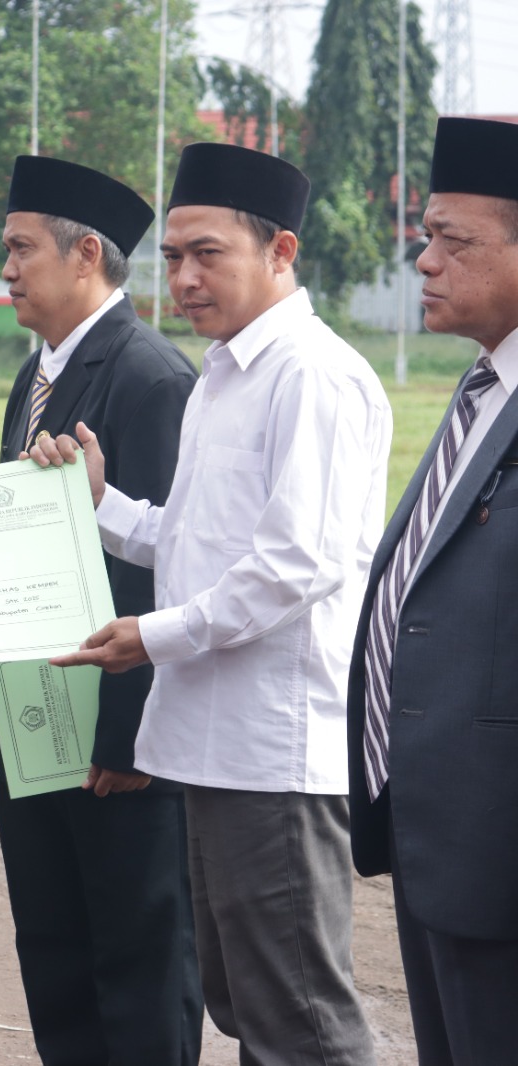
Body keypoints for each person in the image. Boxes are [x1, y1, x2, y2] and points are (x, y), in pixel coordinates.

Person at [30, 142, 391, 1065]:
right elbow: (193, 540)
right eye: (174, 256)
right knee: (243, 1001)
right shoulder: (226, 373)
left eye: (208, 254)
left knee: (301, 1018)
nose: (184, 278)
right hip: (213, 745)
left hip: (276, 752)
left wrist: (152, 636)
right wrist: (102, 504)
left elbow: (295, 565)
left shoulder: (312, 375)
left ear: (281, 252)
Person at [0, 155, 202, 1065]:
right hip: (39, 723)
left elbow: (171, 572)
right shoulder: (36, 375)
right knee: (57, 959)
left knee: (138, 966)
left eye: (20, 249)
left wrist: (130, 738)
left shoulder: (151, 378)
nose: (6, 270)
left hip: (114, 745)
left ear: (84, 256)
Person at [346, 116, 518, 1065]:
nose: (424, 261)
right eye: (425, 236)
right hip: (436, 826)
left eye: (454, 240)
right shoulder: (483, 389)